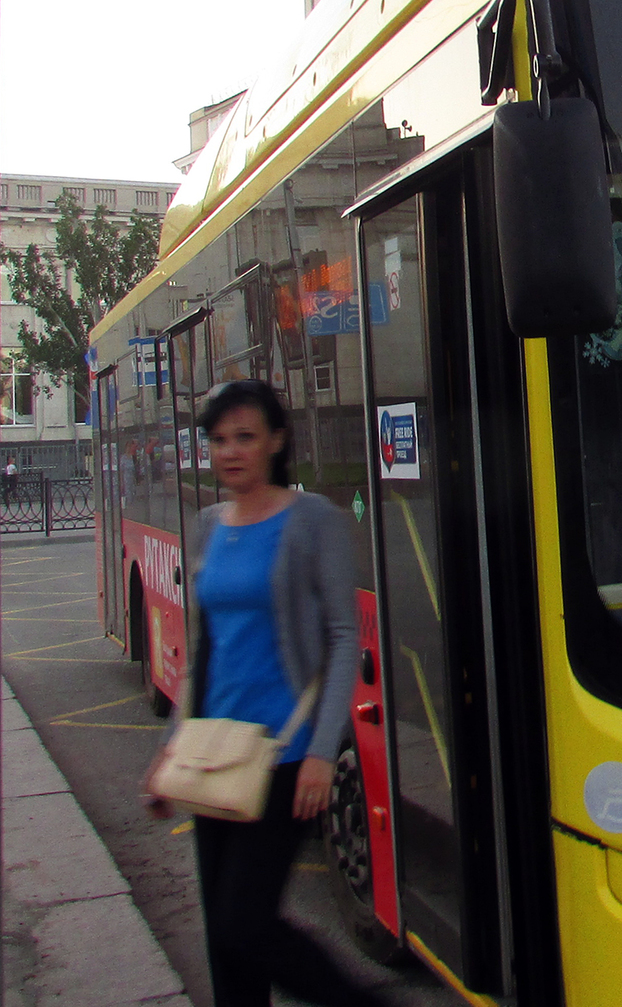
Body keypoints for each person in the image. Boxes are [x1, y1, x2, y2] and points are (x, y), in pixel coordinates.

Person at [140, 380, 385, 1007]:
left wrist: (323, 754)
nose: (230, 452)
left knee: (244, 924)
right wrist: (171, 747)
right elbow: (205, 648)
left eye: (245, 437)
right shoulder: (207, 526)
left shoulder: (313, 520)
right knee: (226, 948)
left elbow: (341, 637)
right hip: (215, 752)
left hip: (283, 756)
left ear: (276, 441)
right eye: (219, 440)